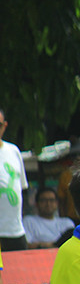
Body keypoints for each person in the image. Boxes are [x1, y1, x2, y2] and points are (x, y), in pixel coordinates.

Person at [0, 107, 29, 251]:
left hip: (15, 231)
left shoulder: (13, 151)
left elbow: (22, 188)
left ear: (4, 126)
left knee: (21, 273)